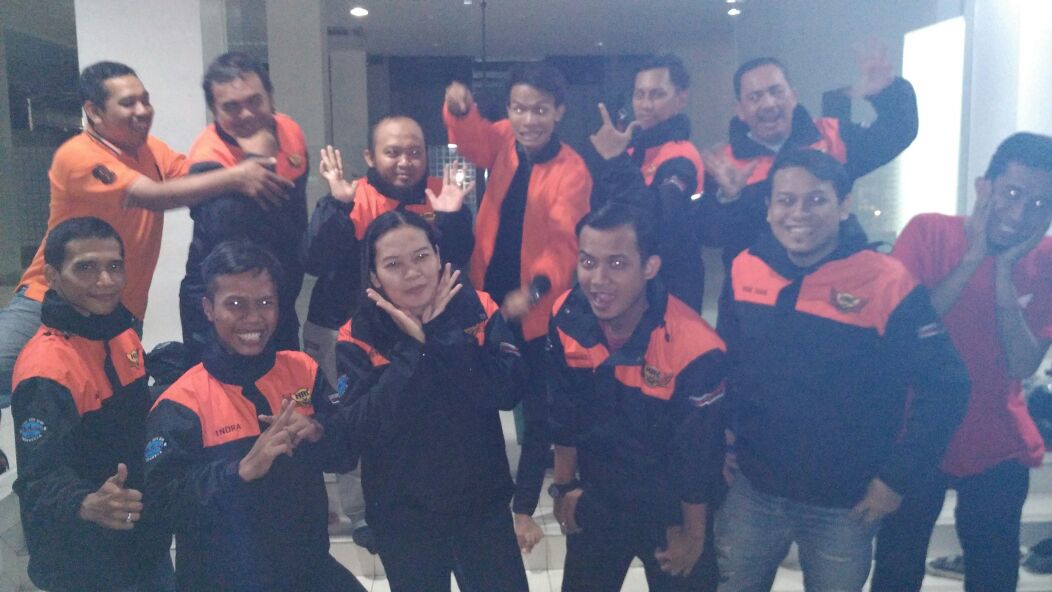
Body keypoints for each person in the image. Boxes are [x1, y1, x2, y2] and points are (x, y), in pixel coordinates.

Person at [714, 149, 970, 591]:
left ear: (844, 204)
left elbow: (948, 385)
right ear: (769, 207)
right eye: (786, 200)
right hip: (754, 487)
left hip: (846, 501)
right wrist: (722, 437)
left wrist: (896, 479)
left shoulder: (887, 280)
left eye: (816, 200)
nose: (799, 213)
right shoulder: (744, 268)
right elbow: (729, 367)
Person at [0, 60, 291, 407]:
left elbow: (197, 181)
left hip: (120, 310)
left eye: (145, 100)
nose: (142, 110)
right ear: (93, 111)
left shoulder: (152, 150)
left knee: (108, 407)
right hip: (51, 299)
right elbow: (151, 195)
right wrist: (237, 176)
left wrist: (247, 137)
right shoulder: (78, 155)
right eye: (128, 103)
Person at [872, 132, 1052, 591]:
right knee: (896, 570)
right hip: (917, 431)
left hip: (997, 436)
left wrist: (1004, 270)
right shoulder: (928, 232)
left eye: (1039, 204)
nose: (1020, 213)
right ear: (983, 187)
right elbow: (904, 337)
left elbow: (1022, 363)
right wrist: (975, 259)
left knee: (994, 576)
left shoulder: (1047, 259)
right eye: (1011, 193)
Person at [144, 240, 365, 592]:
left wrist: (317, 431)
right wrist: (240, 471)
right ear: (208, 308)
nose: (253, 318)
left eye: (265, 303)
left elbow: (346, 453)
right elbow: (159, 505)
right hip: (220, 580)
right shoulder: (182, 401)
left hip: (306, 569)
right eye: (235, 304)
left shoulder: (303, 370)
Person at [332, 210, 530, 591]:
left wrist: (440, 335)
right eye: (393, 264)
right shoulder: (357, 333)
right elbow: (355, 429)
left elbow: (508, 389)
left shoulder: (476, 307)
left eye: (421, 256)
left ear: (438, 257)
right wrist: (414, 350)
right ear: (374, 276)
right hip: (404, 518)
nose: (413, 273)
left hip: (481, 508)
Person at [305, 117, 475, 551]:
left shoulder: (440, 194)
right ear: (370, 156)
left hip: (416, 328)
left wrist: (453, 217)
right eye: (392, 152)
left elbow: (455, 261)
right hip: (344, 329)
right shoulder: (351, 195)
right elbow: (315, 259)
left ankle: (415, 498)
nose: (405, 161)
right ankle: (362, 515)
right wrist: (337, 206)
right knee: (353, 418)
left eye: (414, 152)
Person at [443, 63, 592, 551]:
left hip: (535, 305)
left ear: (559, 111)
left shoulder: (572, 170)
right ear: (509, 109)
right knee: (477, 393)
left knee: (537, 409)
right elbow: (475, 142)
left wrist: (532, 292)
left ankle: (523, 506)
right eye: (520, 108)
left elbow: (566, 243)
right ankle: (480, 489)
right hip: (487, 293)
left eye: (541, 110)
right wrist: (460, 112)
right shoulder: (505, 139)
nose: (529, 120)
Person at [548, 203, 726, 591]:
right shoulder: (567, 315)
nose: (598, 280)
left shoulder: (695, 346)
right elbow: (564, 413)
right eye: (588, 261)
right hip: (598, 498)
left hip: (669, 509)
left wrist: (694, 534)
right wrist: (563, 487)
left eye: (617, 264)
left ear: (650, 267)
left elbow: (698, 456)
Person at [11, 217, 173, 591]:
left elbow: (131, 422)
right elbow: (37, 479)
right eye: (85, 268)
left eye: (114, 266)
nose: (105, 280)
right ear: (52, 276)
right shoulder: (46, 369)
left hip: (142, 545)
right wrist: (85, 502)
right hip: (84, 564)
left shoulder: (122, 333)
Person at [698, 44, 918, 270]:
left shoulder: (832, 137)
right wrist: (729, 198)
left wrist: (888, 92)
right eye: (755, 97)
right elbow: (711, 236)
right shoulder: (724, 164)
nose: (769, 104)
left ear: (793, 97)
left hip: (834, 278)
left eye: (776, 92)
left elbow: (896, 133)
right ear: (740, 110)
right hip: (755, 284)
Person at [178, 51, 309, 365]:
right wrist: (256, 158)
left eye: (254, 100)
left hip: (277, 295)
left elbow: (293, 219)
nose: (247, 114)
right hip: (220, 304)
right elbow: (232, 237)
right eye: (231, 107)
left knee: (287, 383)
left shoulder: (290, 131)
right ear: (214, 111)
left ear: (270, 98)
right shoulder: (208, 158)